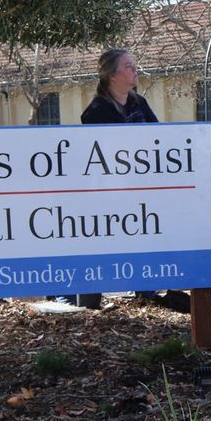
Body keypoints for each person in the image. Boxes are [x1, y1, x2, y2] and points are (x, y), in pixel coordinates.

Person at [61, 49, 157, 305]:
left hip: (139, 189)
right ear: (112, 75)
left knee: (143, 238)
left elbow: (159, 138)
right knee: (103, 244)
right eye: (128, 66)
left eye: (134, 65)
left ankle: (146, 295)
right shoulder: (96, 110)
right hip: (108, 192)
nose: (135, 70)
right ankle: (84, 298)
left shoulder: (139, 103)